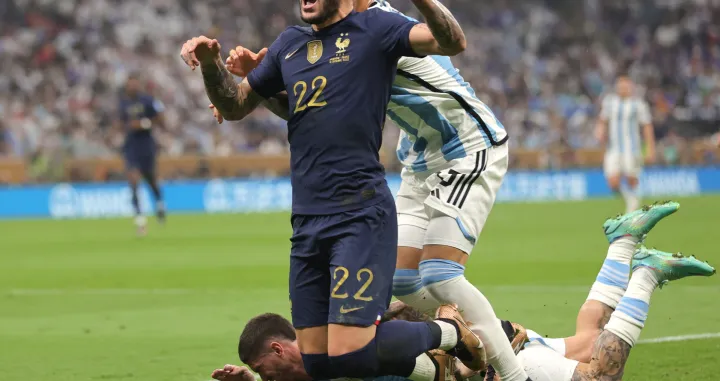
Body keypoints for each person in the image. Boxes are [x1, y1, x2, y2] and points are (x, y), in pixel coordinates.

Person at [210, 0, 524, 378]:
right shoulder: (309, 40)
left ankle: (504, 365)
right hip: (418, 155)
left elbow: (452, 40)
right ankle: (464, 346)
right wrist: (268, 81)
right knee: (401, 283)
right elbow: (302, 106)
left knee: (440, 274)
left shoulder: (379, 24)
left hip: (466, 145)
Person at [453, 201, 716, 380]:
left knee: (600, 375)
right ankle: (624, 242)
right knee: (593, 341)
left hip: (494, 358)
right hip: (492, 342)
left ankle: (646, 274)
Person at [595, 76, 656, 214]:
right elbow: (602, 120)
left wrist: (650, 149)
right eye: (620, 87)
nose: (622, 89)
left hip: (632, 149)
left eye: (625, 87)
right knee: (612, 182)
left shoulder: (638, 105)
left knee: (631, 180)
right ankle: (631, 200)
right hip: (613, 148)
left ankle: (635, 204)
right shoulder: (610, 103)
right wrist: (599, 131)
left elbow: (647, 127)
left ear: (631, 88)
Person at [118, 73, 166, 235]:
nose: (132, 87)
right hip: (131, 147)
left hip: (146, 146)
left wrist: (144, 124)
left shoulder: (148, 101)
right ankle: (140, 221)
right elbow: (119, 123)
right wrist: (125, 127)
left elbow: (161, 118)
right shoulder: (123, 104)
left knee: (151, 180)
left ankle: (159, 204)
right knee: (133, 181)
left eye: (134, 83)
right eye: (130, 84)